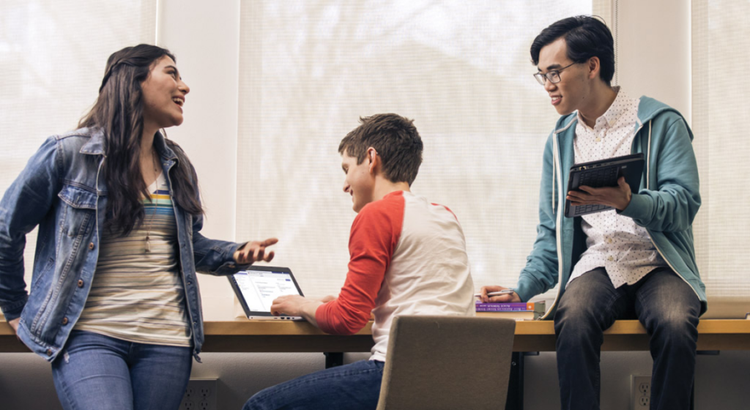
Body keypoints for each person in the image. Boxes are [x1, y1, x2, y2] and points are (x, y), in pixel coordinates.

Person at [0, 44, 277, 410]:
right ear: (133, 81)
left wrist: (235, 253)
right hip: (89, 335)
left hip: (167, 340)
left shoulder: (177, 165)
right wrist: (15, 307)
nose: (185, 86)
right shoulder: (68, 154)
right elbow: (6, 228)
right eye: (172, 73)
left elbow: (188, 247)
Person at [480, 16, 706, 410]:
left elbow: (684, 205)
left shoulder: (661, 123)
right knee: (573, 319)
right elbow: (550, 233)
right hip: (599, 265)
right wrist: (520, 290)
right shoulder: (559, 141)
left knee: (674, 323)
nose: (548, 84)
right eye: (542, 75)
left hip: (660, 264)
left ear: (592, 65)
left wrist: (628, 202)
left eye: (555, 71)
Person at [243, 113, 475, 410]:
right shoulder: (444, 215)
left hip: (403, 375)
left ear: (370, 159)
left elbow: (346, 320)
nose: (344, 184)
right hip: (461, 380)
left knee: (259, 406)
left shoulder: (377, 214)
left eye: (346, 169)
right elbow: (420, 294)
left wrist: (301, 305)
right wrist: (335, 305)